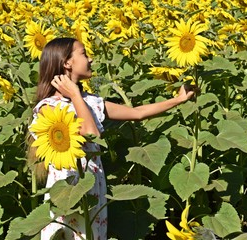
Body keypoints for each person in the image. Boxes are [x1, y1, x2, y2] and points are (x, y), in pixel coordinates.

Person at [28, 37, 194, 240]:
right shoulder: (48, 108)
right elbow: (91, 133)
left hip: (94, 185)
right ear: (66, 62)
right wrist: (75, 95)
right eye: (84, 54)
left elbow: (137, 113)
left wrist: (178, 99)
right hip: (68, 190)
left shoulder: (91, 101)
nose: (91, 60)